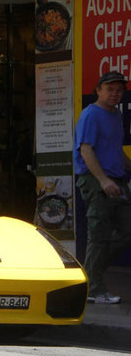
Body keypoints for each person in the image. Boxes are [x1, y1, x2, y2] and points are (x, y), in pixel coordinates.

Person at [74, 71, 131, 305]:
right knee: (98, 235)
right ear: (98, 90)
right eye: (110, 89)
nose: (115, 94)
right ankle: (92, 287)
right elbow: (86, 150)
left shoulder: (115, 115)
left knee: (125, 229)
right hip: (95, 180)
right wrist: (103, 180)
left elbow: (116, 150)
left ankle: (89, 273)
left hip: (116, 179)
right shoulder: (90, 114)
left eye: (119, 90)